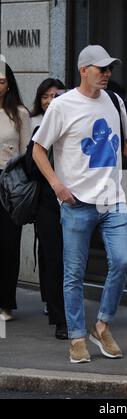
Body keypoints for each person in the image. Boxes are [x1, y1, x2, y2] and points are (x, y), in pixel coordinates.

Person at [32, 45, 127, 363]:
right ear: (84, 70)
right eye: (101, 69)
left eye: (110, 69)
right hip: (77, 202)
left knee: (122, 261)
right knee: (73, 274)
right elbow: (38, 149)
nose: (107, 74)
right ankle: (77, 337)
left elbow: (122, 144)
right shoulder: (62, 106)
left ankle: (102, 326)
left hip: (113, 200)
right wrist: (57, 185)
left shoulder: (114, 101)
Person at [29, 78, 68, 339]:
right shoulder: (38, 128)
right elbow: (32, 167)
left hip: (75, 199)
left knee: (70, 261)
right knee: (52, 258)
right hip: (47, 200)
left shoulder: (72, 124)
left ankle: (67, 312)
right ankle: (59, 317)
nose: (51, 100)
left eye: (56, 96)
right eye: (46, 96)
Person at [0, 61, 31, 321]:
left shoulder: (19, 113)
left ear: (8, 83)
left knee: (9, 243)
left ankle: (6, 302)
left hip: (8, 181)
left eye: (0, 80)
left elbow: (26, 154)